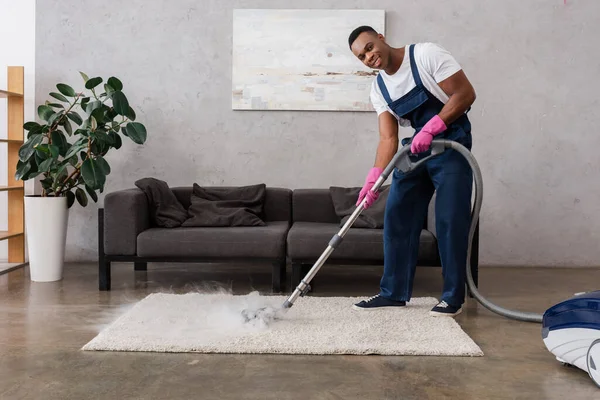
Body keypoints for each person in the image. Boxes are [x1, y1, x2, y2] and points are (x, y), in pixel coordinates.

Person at [348, 26, 476, 317]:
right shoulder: (379, 88)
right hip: (415, 149)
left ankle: (452, 297)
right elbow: (388, 139)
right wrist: (374, 178)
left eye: (369, 48)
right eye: (361, 57)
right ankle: (393, 293)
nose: (368, 57)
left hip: (451, 141)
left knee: (449, 219)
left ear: (380, 37)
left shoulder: (425, 55)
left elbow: (465, 93)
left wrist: (433, 127)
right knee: (397, 217)